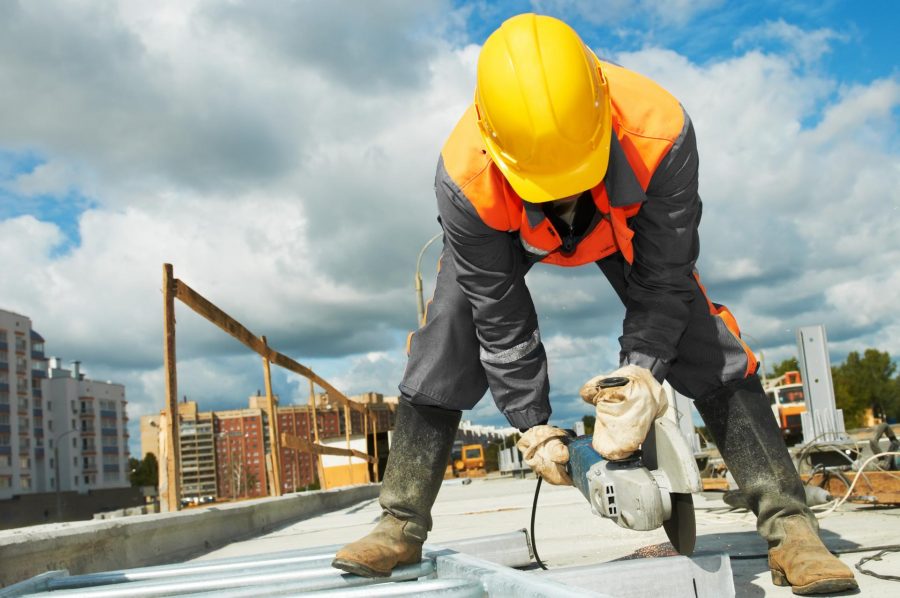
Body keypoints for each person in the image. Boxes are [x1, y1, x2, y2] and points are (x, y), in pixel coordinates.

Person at [332, 13, 857, 595]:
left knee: (702, 336)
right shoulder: (465, 176)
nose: (563, 194)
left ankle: (790, 527)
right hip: (508, 233)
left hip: (621, 225)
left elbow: (664, 277)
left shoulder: (661, 131)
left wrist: (640, 374)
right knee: (449, 329)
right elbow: (499, 317)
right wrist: (531, 426)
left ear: (602, 108)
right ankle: (399, 522)